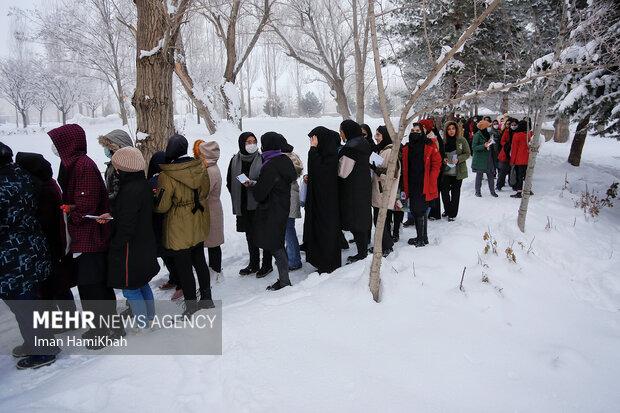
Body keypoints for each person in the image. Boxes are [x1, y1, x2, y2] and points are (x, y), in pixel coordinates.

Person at [48, 124, 122, 346]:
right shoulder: (73, 164)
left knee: (93, 287)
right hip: (83, 238)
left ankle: (103, 331)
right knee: (90, 286)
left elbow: (87, 205)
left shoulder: (83, 166)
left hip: (91, 238)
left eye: (57, 143)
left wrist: (71, 213)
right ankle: (107, 328)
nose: (54, 148)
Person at [0, 142, 59, 369]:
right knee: (28, 301)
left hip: (12, 256)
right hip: (32, 246)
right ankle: (35, 343)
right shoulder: (22, 176)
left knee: (23, 304)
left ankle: (43, 350)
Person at [156, 134, 213, 315]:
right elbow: (205, 190)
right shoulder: (200, 167)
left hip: (179, 225)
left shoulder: (167, 175)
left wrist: (154, 199)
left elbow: (162, 205)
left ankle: (190, 306)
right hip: (198, 218)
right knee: (200, 260)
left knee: (184, 267)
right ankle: (206, 298)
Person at [15, 152, 76, 314]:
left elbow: (45, 221)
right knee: (59, 283)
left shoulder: (41, 189)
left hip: (50, 243)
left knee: (53, 284)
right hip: (57, 241)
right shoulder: (49, 184)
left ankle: (64, 319)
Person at [106, 147, 160, 329]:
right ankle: (150, 318)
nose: (116, 171)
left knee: (130, 289)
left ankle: (143, 325)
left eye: (117, 167)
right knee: (142, 283)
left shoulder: (129, 190)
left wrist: (116, 243)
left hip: (131, 247)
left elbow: (127, 223)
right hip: (144, 242)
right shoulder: (142, 184)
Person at [248, 132, 297, 291]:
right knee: (278, 242)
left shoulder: (270, 165)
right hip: (282, 207)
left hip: (271, 210)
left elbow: (260, 194)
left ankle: (284, 281)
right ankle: (284, 279)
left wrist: (254, 186)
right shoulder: (285, 159)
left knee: (276, 245)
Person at [227, 132, 273, 277]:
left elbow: (268, 182)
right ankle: (254, 263)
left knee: (263, 234)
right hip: (243, 204)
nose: (252, 144)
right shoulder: (235, 160)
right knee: (250, 235)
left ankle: (267, 264)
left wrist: (253, 184)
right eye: (248, 142)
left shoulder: (263, 158)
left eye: (254, 141)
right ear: (242, 144)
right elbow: (230, 181)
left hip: (260, 204)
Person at [304, 127, 342, 273]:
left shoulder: (331, 155)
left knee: (326, 231)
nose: (312, 143)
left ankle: (328, 264)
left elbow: (322, 173)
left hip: (327, 203)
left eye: (314, 139)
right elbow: (317, 172)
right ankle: (321, 261)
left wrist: (312, 150)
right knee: (319, 230)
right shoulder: (323, 153)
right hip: (319, 200)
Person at [148, 152, 183, 300]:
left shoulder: (167, 180)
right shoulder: (153, 180)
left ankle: (181, 283)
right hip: (158, 223)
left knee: (171, 255)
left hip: (167, 222)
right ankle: (174, 279)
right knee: (165, 254)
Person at [338, 120, 372, 263]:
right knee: (362, 219)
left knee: (356, 221)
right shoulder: (364, 143)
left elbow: (343, 172)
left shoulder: (350, 148)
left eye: (341, 131)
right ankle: (363, 250)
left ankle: (361, 253)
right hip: (364, 187)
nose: (340, 134)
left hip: (352, 190)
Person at [401, 123, 441, 247]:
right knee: (417, 210)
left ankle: (421, 238)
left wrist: (431, 178)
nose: (415, 132)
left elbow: (437, 163)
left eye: (417, 130)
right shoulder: (407, 147)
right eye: (413, 130)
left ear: (422, 132)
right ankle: (423, 237)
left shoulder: (429, 145)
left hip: (424, 184)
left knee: (419, 210)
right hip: (412, 183)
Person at [370, 126, 399, 256]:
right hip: (380, 192)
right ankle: (383, 245)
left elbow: (393, 173)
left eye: (378, 135)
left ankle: (387, 246)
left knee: (379, 220)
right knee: (381, 219)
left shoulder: (390, 151)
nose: (376, 137)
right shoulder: (383, 150)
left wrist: (376, 170)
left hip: (383, 192)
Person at [198, 141, 225, 280]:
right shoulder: (211, 167)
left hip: (210, 210)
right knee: (213, 242)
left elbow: (203, 193)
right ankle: (215, 269)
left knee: (213, 244)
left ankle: (215, 272)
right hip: (213, 209)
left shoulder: (209, 170)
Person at [440, 121, 471, 221]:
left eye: (453, 128)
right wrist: (443, 159)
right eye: (449, 129)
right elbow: (440, 154)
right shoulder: (443, 141)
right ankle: (448, 209)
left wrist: (458, 159)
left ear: (456, 129)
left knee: (455, 193)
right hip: (446, 171)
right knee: (444, 192)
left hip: (458, 171)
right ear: (446, 131)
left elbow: (467, 153)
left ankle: (452, 214)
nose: (451, 131)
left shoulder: (461, 140)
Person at [281, 141, 304, 271]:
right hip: (292, 196)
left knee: (288, 230)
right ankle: (290, 256)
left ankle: (294, 259)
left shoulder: (286, 158)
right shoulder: (293, 156)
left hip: (289, 197)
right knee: (288, 229)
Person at [420, 118, 445, 220]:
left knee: (434, 191)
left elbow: (438, 155)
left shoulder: (433, 138)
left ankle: (434, 213)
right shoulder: (424, 136)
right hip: (427, 170)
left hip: (434, 170)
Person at [98, 129, 134, 200]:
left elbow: (120, 194)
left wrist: (102, 199)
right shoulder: (113, 164)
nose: (106, 150)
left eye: (109, 147)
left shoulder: (125, 166)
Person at [471, 119, 499, 198]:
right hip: (480, 159)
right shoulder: (477, 135)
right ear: (484, 128)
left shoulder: (489, 134)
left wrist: (491, 142)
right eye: (488, 126)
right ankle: (478, 191)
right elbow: (474, 147)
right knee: (479, 176)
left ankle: (492, 191)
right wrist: (484, 146)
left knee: (490, 175)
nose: (490, 127)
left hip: (489, 158)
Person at [509, 120, 532, 198]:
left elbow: (514, 149)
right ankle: (528, 190)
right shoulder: (529, 135)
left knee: (519, 177)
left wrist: (512, 160)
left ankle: (519, 192)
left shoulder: (517, 135)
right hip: (528, 159)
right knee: (527, 175)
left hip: (519, 159)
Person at [496, 117, 517, 191]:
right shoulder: (506, 132)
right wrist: (508, 145)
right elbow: (502, 141)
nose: (513, 126)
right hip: (505, 154)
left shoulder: (517, 132)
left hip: (514, 155)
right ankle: (499, 185)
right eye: (512, 125)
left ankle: (513, 184)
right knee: (502, 171)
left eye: (515, 125)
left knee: (513, 171)